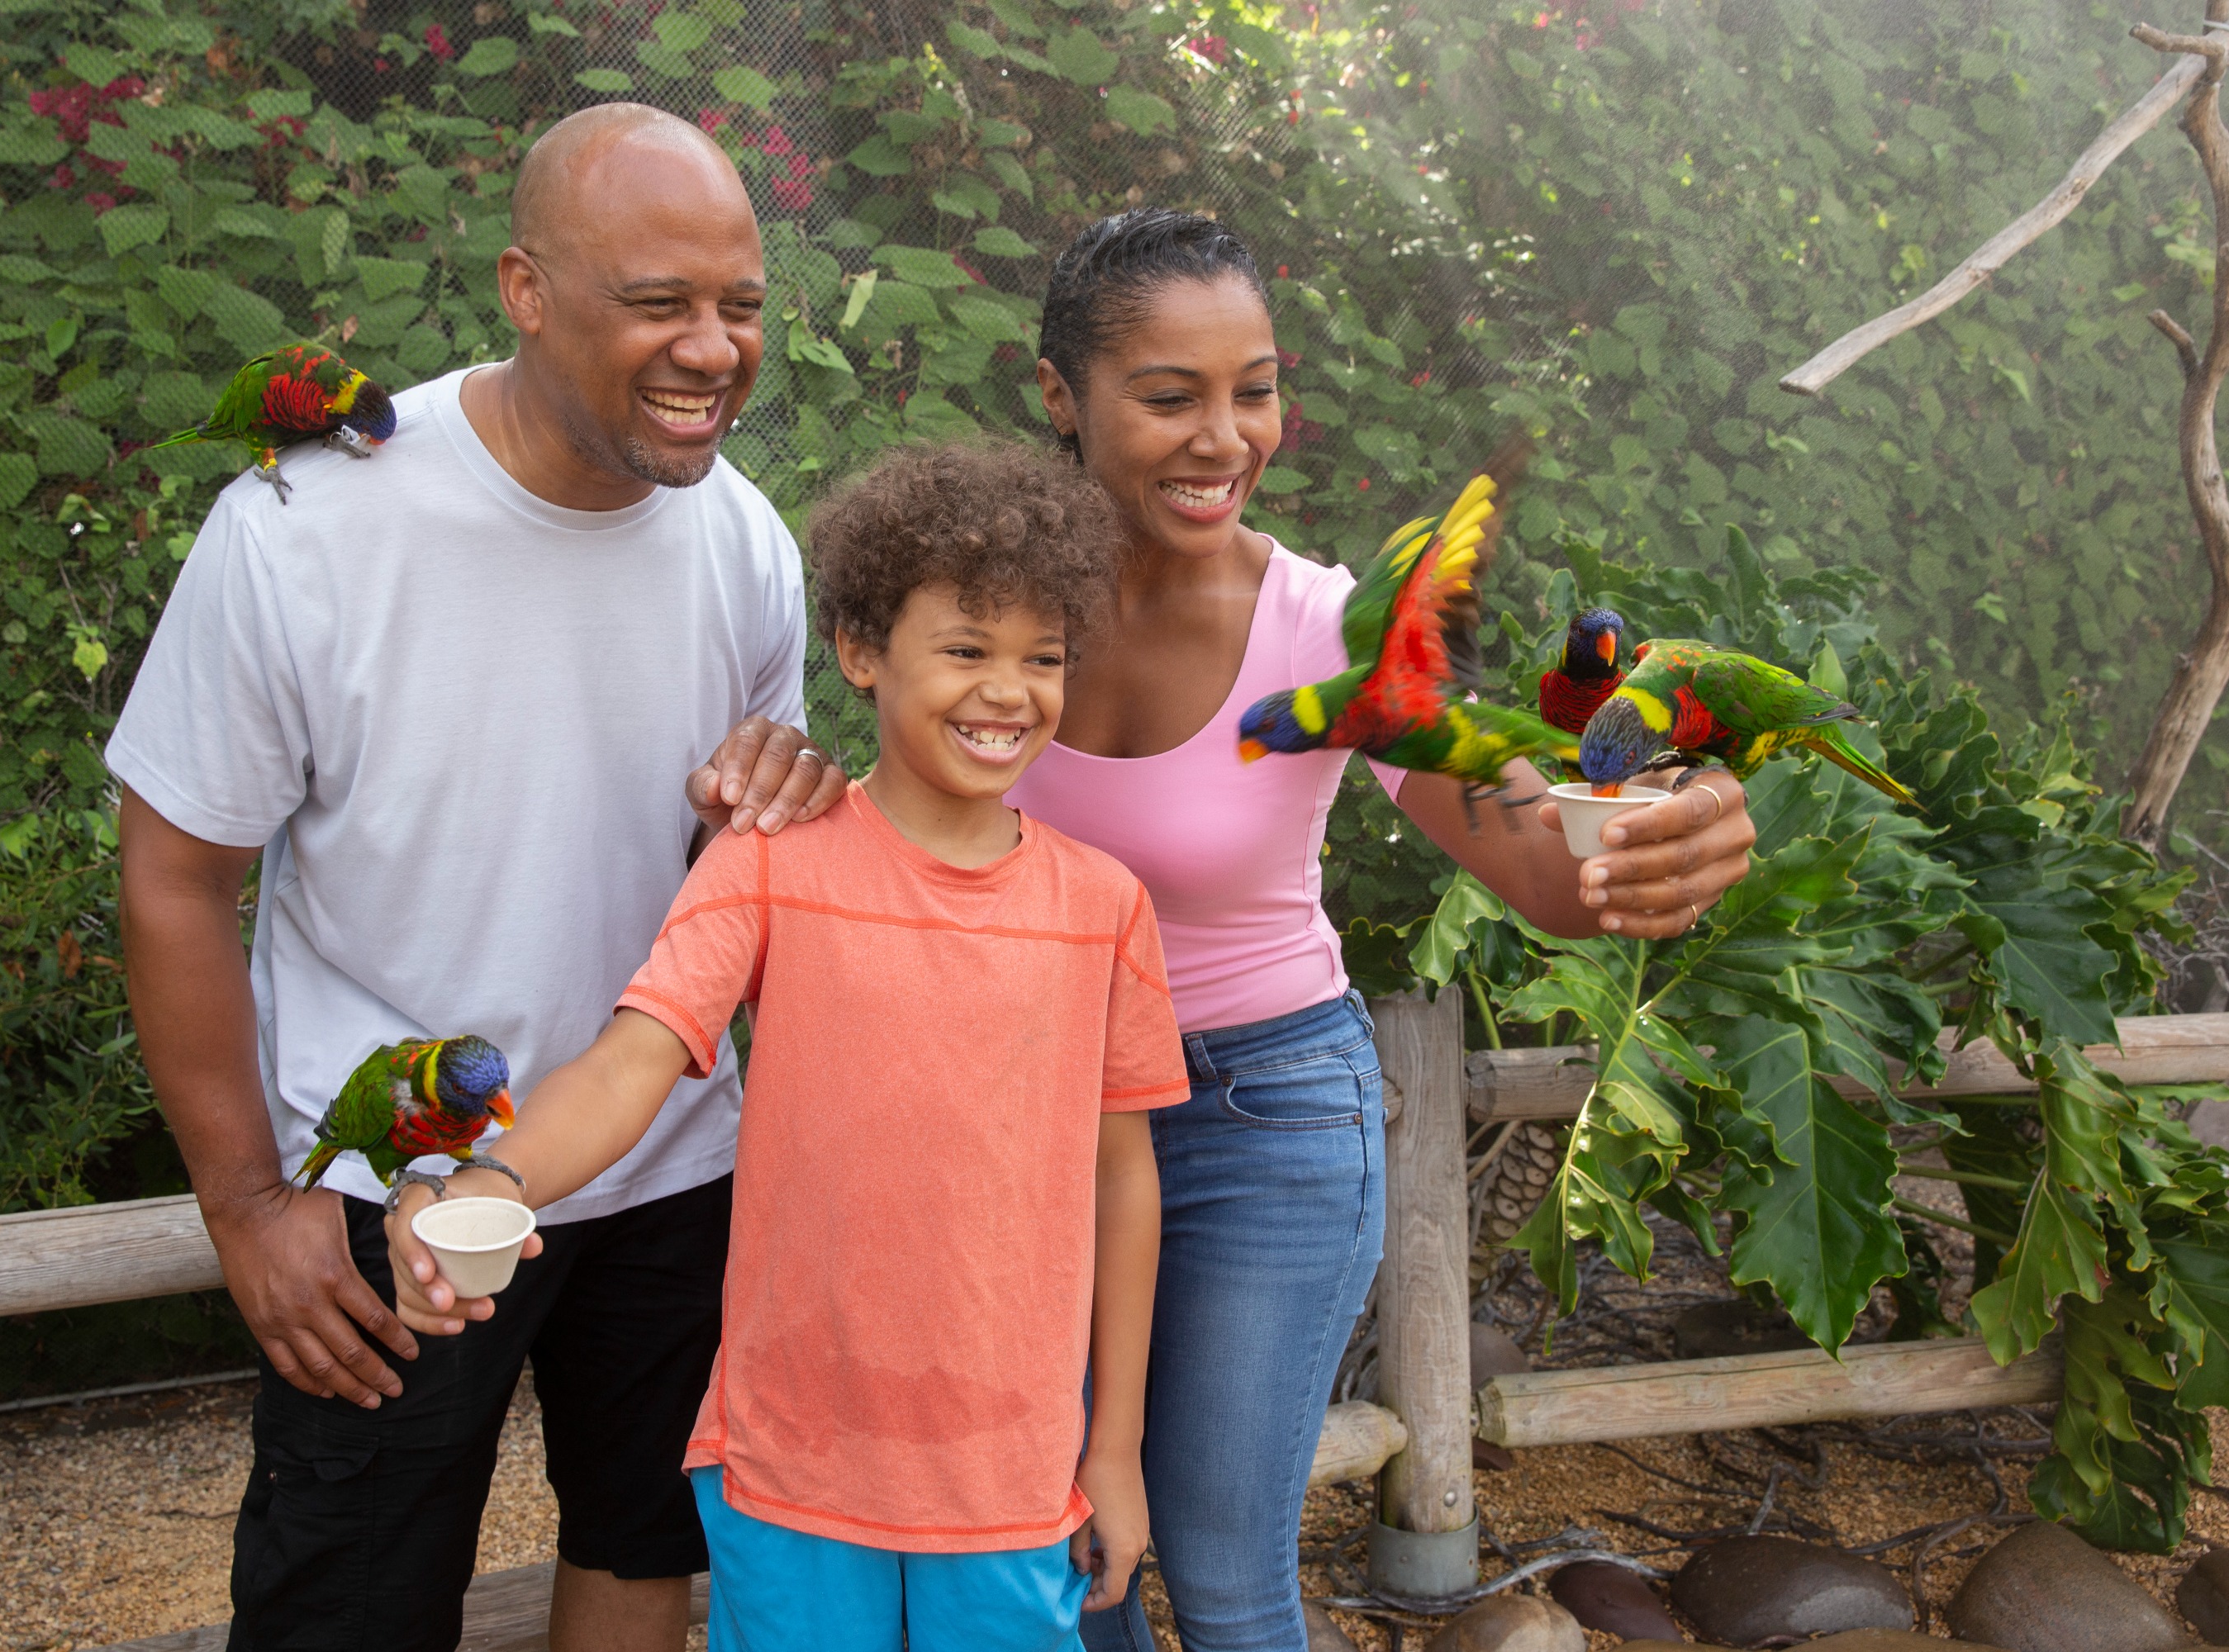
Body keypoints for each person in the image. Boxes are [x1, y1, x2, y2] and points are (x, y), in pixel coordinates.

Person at [111, 104, 845, 1652]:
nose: (713, 349)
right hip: (390, 1193)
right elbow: (176, 876)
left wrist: (778, 811)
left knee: (646, 1554)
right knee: (350, 1601)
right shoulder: (304, 530)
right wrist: (249, 1205)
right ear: (526, 289)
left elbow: (738, 883)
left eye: (742, 304)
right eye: (659, 303)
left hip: (673, 1164)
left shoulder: (746, 543)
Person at [1010, 209, 1762, 1652]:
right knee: (1061, 1569)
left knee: (1226, 1580)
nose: (1224, 435)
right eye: (1170, 396)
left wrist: (1669, 832)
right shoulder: (984, 599)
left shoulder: (1340, 632)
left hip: (1261, 1117)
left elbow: (1545, 866)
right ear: (1060, 395)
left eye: (1257, 388)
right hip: (1033, 1119)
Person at [386, 439, 1183, 1652]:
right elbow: (629, 1061)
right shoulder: (767, 868)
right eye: (965, 650)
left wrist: (1112, 1448)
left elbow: (1122, 1179)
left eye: (1043, 657)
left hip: (1011, 1475)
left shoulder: (1105, 907)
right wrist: (493, 1178)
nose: (1007, 691)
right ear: (863, 651)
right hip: (792, 1463)